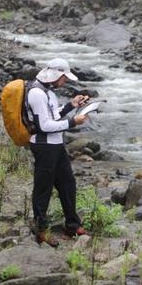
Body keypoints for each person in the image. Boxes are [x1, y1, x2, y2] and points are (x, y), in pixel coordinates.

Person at [26, 58, 90, 247]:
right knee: (43, 188)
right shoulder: (37, 93)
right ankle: (41, 230)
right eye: (64, 78)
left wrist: (71, 105)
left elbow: (53, 116)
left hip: (55, 144)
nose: (66, 82)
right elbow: (44, 126)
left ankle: (72, 225)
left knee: (67, 183)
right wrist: (73, 122)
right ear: (55, 75)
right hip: (44, 146)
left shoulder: (49, 92)